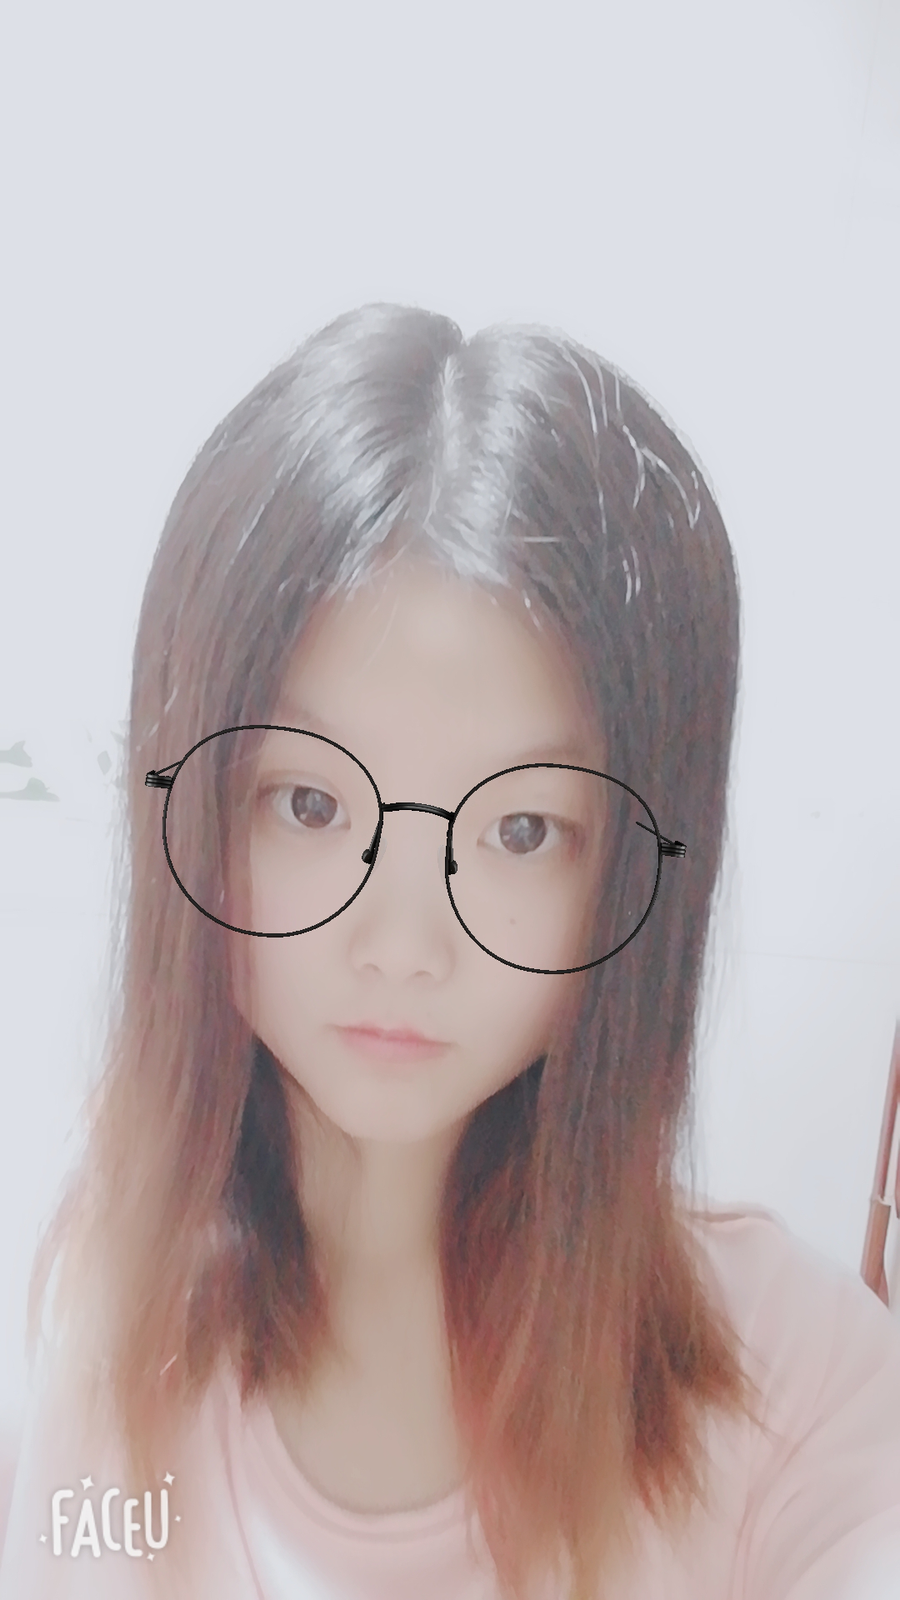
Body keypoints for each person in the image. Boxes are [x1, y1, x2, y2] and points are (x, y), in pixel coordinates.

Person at [1, 303, 898, 1600]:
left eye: (522, 830)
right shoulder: (114, 1310)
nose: (403, 943)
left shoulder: (796, 1386)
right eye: (311, 804)